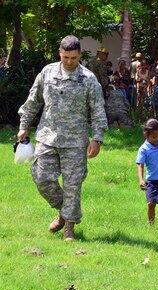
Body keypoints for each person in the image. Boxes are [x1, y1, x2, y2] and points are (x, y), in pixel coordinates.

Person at [17, 35, 108, 241]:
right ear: (60, 53)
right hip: (47, 137)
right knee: (42, 178)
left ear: (79, 56)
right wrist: (23, 126)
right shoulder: (47, 73)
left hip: (75, 142)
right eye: (66, 57)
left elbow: (98, 110)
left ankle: (69, 227)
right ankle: (65, 210)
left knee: (73, 185)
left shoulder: (88, 79)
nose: (69, 61)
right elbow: (33, 101)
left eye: (73, 58)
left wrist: (97, 138)